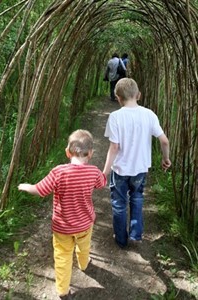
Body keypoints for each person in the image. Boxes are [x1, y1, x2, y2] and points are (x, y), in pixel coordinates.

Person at [18, 129, 107, 300]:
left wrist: (26, 186)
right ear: (91, 154)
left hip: (62, 228)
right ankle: (83, 264)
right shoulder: (94, 172)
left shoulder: (59, 172)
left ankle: (63, 290)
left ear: (67, 152)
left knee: (63, 257)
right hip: (85, 223)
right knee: (84, 246)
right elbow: (102, 182)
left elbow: (40, 190)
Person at [103, 78, 171, 248]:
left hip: (119, 169)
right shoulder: (149, 114)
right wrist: (165, 158)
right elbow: (164, 141)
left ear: (117, 97)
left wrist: (104, 173)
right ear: (138, 95)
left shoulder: (115, 116)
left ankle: (120, 239)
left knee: (119, 203)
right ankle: (136, 234)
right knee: (137, 197)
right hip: (140, 168)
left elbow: (114, 147)